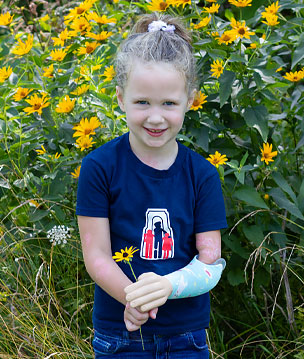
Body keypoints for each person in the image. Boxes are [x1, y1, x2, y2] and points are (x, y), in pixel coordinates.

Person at [76, 12, 227, 358]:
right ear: (119, 99)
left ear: (190, 100)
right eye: (142, 102)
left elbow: (210, 260)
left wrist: (165, 287)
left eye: (169, 104)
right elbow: (96, 254)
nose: (156, 117)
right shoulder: (99, 167)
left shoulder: (202, 174)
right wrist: (132, 297)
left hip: (186, 335)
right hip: (121, 334)